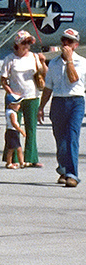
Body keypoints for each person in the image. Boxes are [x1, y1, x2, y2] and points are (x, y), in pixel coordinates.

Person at [41, 28, 83, 187]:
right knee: (61, 140)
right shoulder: (54, 63)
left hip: (76, 101)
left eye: (70, 41)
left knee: (72, 137)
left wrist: (69, 60)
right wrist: (41, 107)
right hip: (58, 101)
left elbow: (73, 79)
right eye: (64, 40)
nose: (66, 44)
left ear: (75, 45)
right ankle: (64, 169)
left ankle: (73, 174)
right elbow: (48, 87)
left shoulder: (81, 62)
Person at [0, 32, 44, 167]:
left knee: (31, 128)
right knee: (13, 128)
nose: (27, 46)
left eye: (29, 43)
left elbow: (44, 73)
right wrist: (10, 93)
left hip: (32, 96)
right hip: (15, 98)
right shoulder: (10, 59)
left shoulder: (34, 57)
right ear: (17, 44)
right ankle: (12, 159)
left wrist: (42, 62)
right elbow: (3, 79)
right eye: (24, 43)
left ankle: (31, 158)